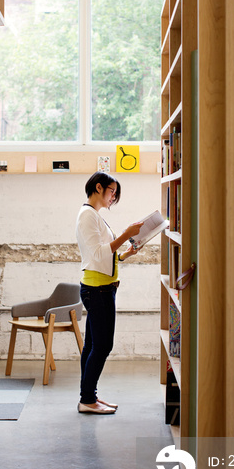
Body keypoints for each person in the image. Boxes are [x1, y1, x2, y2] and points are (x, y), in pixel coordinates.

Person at [75, 172, 143, 414]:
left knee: (93, 344)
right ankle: (87, 400)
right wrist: (125, 234)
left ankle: (89, 396)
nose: (113, 197)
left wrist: (125, 253)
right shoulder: (87, 216)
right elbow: (97, 254)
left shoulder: (94, 216)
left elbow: (107, 255)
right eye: (112, 191)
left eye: (115, 193)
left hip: (102, 287)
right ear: (98, 187)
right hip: (97, 289)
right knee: (102, 346)